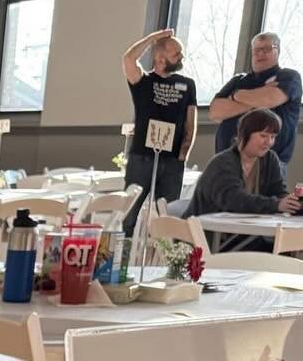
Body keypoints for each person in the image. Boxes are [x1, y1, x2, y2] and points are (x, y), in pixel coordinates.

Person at [185, 108, 299, 251]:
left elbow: (278, 192)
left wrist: (294, 203)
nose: (269, 142)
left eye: (273, 137)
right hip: (207, 240)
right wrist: (276, 205)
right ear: (245, 134)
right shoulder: (222, 163)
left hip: (245, 237)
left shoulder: (270, 159)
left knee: (286, 250)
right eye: (263, 136)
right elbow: (234, 201)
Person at [121, 27, 198, 233]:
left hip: (172, 159)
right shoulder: (143, 81)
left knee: (169, 215)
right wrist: (155, 38)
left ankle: (163, 259)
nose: (181, 57)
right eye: (176, 53)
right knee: (129, 211)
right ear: (160, 57)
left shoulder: (187, 84)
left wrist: (185, 151)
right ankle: (123, 254)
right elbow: (128, 58)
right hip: (142, 157)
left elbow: (191, 119)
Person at [210, 32, 303, 165]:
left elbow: (270, 99)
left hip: (267, 166)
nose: (260, 54)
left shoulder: (288, 76)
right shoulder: (238, 80)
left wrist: (236, 96)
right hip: (228, 162)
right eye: (257, 50)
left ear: (278, 50)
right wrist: (255, 100)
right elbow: (215, 112)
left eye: (267, 49)